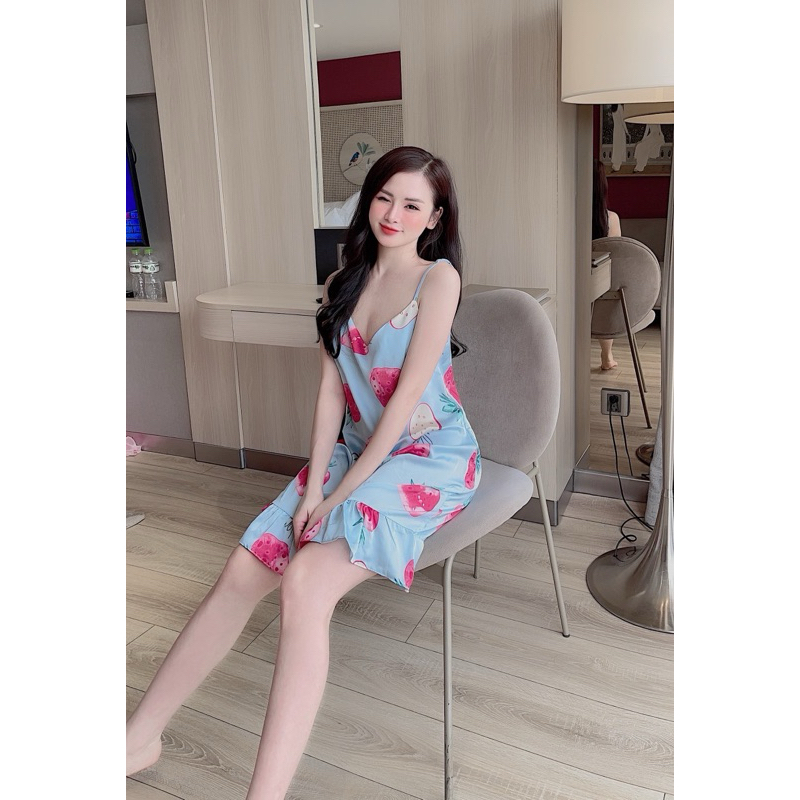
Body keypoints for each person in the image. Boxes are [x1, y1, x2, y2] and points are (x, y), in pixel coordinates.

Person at [126, 145, 483, 799]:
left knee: (306, 583)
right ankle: (137, 739)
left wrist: (337, 496)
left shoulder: (438, 281)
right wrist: (313, 487)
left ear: (435, 218)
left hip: (425, 456)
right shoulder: (341, 281)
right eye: (384, 197)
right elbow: (329, 397)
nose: (394, 214)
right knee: (242, 571)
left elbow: (403, 405)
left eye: (412, 205)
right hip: (354, 449)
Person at [592, 158, 622, 370]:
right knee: (606, 294)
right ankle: (607, 356)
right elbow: (616, 254)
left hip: (572, 281)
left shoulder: (568, 217)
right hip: (600, 285)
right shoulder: (611, 218)